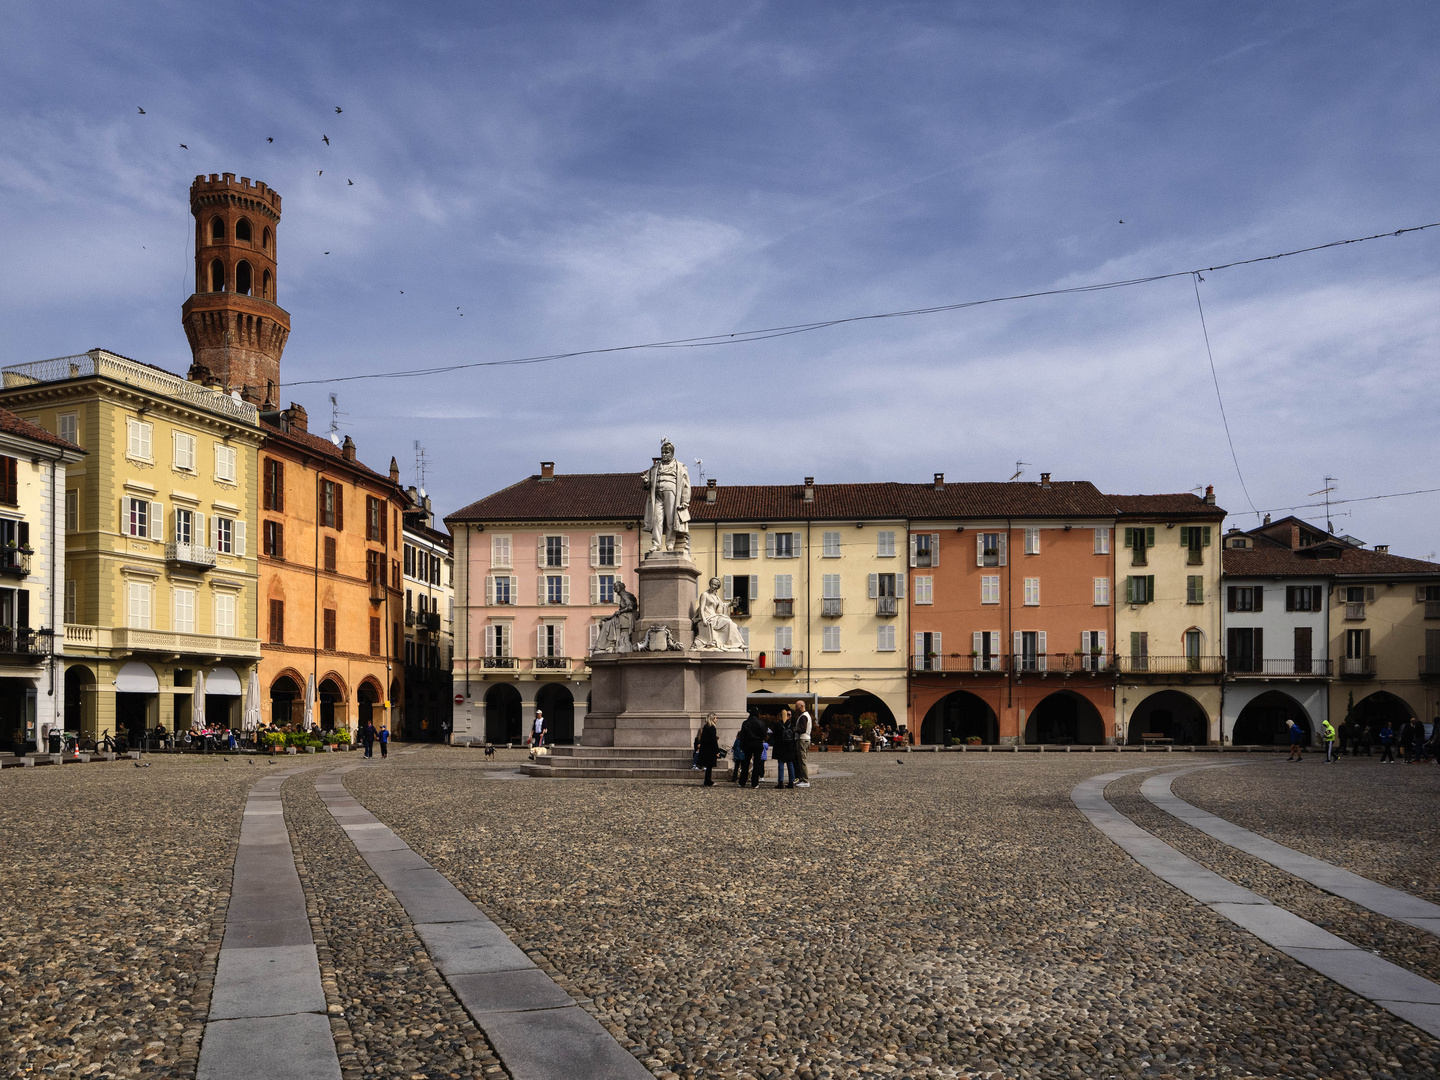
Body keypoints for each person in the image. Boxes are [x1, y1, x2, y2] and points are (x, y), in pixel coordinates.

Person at [739, 707, 768, 787]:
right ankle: (755, 783)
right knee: (757, 763)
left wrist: (742, 746)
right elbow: (764, 734)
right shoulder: (760, 723)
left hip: (748, 743)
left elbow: (743, 736)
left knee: (745, 764)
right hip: (757, 743)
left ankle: (742, 782)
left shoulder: (745, 723)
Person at [771, 707, 797, 789]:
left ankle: (780, 781)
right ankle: (791, 781)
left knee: (781, 764)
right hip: (789, 746)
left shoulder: (777, 725)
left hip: (780, 747)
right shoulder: (792, 725)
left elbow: (774, 736)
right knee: (790, 764)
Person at [792, 699, 813, 788]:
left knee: (802, 760)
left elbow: (803, 729)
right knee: (801, 760)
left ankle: (805, 780)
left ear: (802, 706)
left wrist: (795, 730)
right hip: (804, 739)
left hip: (803, 739)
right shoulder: (804, 715)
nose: (796, 708)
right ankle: (802, 778)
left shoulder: (803, 716)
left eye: (797, 706)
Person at [696, 714, 720, 786]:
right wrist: (717, 750)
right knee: (709, 766)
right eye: (715, 718)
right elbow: (713, 740)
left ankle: (707, 780)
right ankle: (708, 781)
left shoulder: (706, 727)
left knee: (708, 766)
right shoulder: (712, 727)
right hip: (710, 749)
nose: (716, 719)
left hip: (705, 749)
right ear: (712, 719)